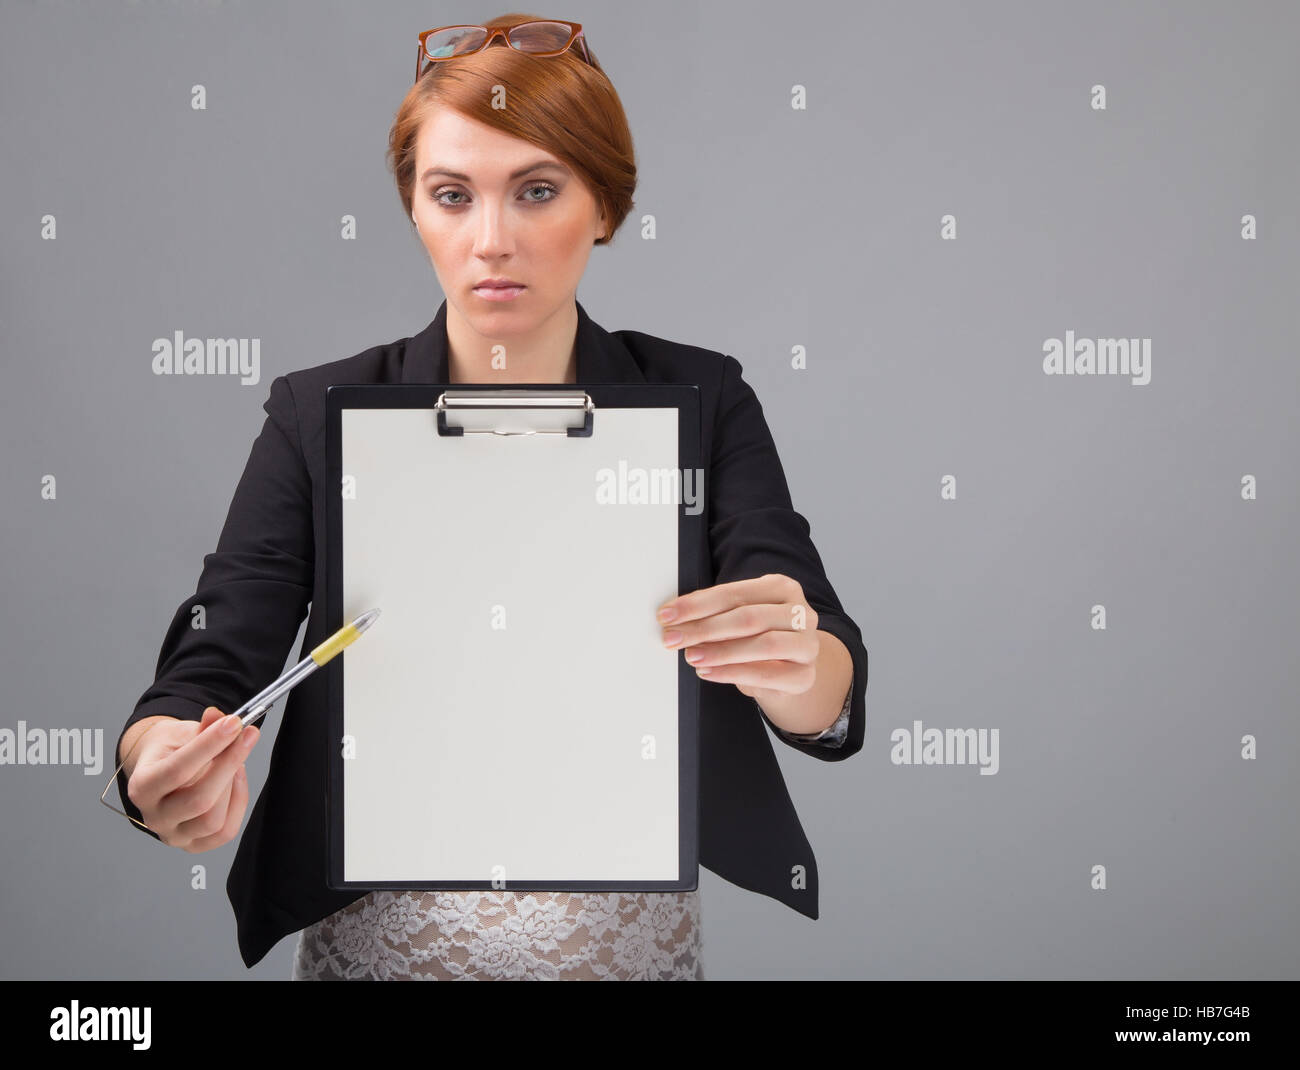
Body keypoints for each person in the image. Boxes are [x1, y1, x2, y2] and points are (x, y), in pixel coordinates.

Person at [113, 13, 868, 980]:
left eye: (538, 190)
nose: (492, 240)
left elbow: (823, 681)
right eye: (453, 195)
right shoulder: (317, 412)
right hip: (382, 951)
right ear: (414, 209)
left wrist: (793, 663)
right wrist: (156, 764)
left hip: (627, 956)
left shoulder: (704, 398)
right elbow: (212, 664)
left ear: (605, 205)